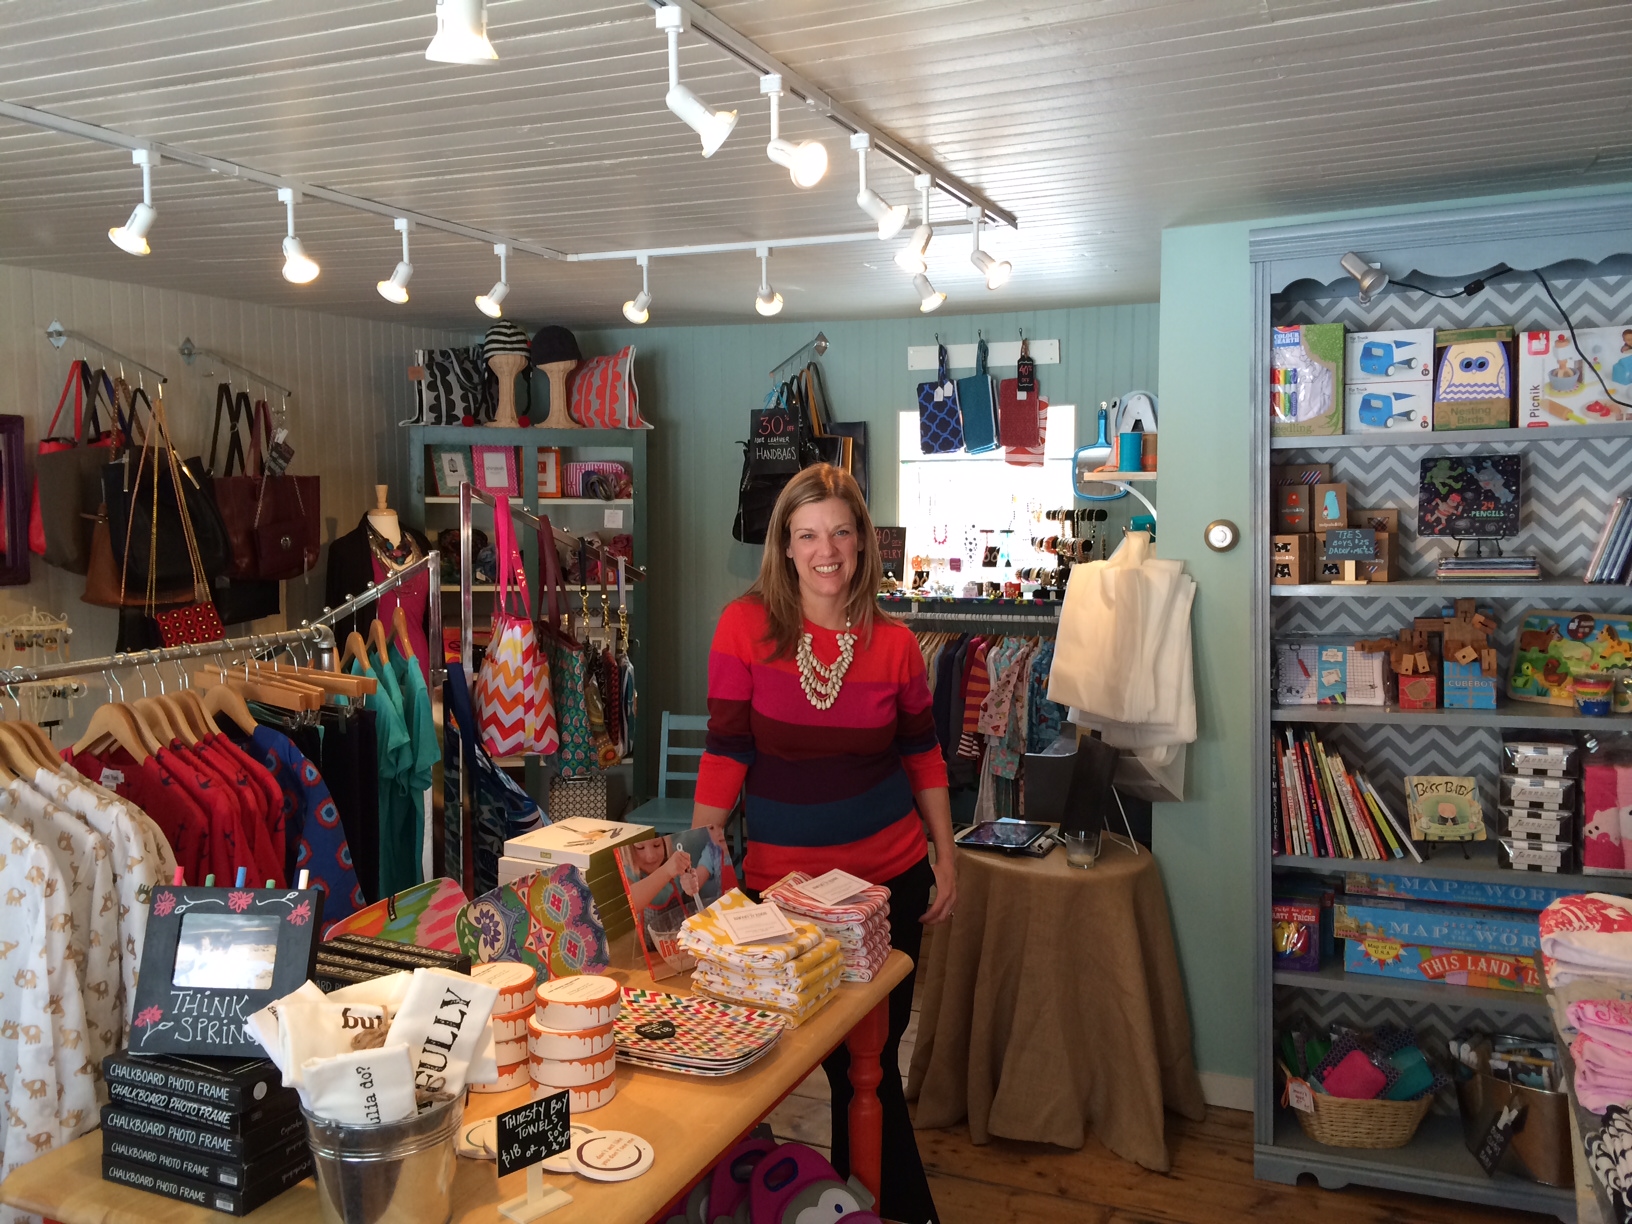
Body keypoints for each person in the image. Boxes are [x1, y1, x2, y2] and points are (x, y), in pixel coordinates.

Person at [692, 463, 955, 1224]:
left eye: (840, 532)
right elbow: (726, 749)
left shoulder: (896, 644)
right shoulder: (743, 627)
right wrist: (701, 855)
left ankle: (863, 1204)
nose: (826, 550)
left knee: (865, 1062)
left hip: (888, 881)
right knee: (800, 1058)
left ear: (862, 542)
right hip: (782, 891)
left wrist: (947, 855)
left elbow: (923, 755)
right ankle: (856, 1204)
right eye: (807, 535)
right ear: (784, 545)